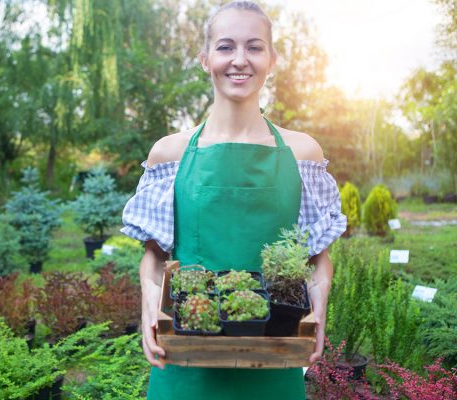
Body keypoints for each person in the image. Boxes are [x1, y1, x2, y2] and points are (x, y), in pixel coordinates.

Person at [121, 1, 347, 399]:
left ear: (272, 59)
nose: (239, 60)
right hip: (186, 358)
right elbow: (155, 257)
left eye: (254, 47)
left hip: (274, 354)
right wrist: (148, 302)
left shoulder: (302, 154)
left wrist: (320, 300)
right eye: (225, 47)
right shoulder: (169, 154)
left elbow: (316, 255)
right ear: (205, 59)